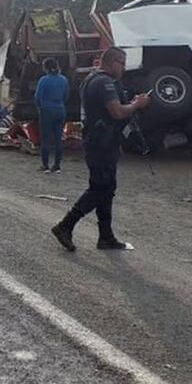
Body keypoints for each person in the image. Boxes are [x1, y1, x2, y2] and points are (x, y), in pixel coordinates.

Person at [51, 47, 150, 251]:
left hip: (103, 142)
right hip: (100, 144)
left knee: (107, 188)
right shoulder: (104, 82)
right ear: (111, 62)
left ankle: (106, 236)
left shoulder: (92, 79)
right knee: (100, 188)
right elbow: (116, 112)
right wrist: (136, 105)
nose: (123, 68)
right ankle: (65, 225)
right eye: (121, 63)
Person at [34, 58, 69, 173]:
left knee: (46, 139)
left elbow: (38, 97)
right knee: (59, 138)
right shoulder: (64, 79)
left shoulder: (44, 80)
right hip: (60, 110)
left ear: (46, 68)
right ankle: (57, 165)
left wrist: (40, 108)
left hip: (47, 111)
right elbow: (66, 95)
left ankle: (45, 165)